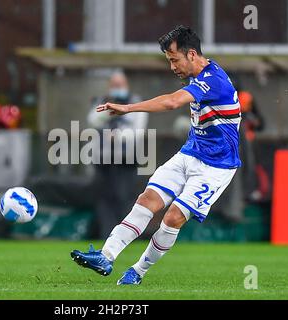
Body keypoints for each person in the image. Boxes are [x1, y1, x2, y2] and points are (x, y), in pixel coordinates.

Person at [71, 26, 241, 285]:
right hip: (189, 154)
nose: (172, 67)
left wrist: (128, 108)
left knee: (173, 217)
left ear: (192, 54)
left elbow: (172, 102)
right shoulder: (199, 77)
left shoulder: (213, 80)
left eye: (174, 59)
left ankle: (137, 271)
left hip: (216, 166)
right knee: (148, 199)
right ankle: (106, 256)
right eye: (169, 60)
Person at [87, 71, 148, 238]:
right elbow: (92, 120)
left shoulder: (135, 102)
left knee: (124, 197)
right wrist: (110, 107)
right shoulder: (102, 101)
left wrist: (119, 135)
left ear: (126, 85)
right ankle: (106, 234)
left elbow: (138, 131)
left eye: (120, 85)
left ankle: (126, 236)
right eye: (114, 85)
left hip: (126, 160)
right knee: (105, 199)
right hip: (103, 159)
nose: (117, 88)